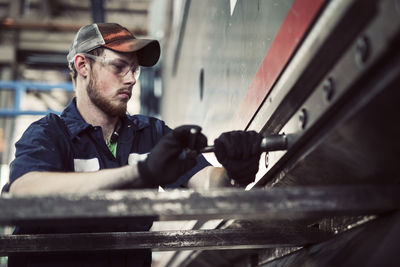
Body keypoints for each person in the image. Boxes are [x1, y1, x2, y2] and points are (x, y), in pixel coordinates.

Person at [3, 23, 263, 267]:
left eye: (134, 69)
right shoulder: (49, 133)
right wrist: (139, 172)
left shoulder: (150, 133)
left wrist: (233, 172)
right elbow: (24, 191)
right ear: (83, 66)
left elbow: (207, 182)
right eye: (119, 67)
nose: (131, 79)